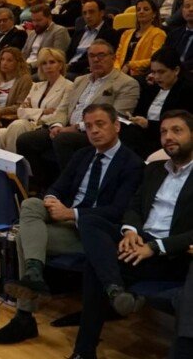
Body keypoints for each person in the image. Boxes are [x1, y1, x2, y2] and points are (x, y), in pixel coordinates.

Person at [0, 104, 143, 346]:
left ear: (116, 126)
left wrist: (72, 213)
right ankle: (34, 273)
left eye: (100, 124)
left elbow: (119, 211)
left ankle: (24, 316)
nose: (94, 131)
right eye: (89, 126)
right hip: (68, 224)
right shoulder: (82, 155)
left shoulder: (132, 163)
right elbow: (57, 187)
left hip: (97, 236)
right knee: (32, 204)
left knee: (23, 237)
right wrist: (52, 199)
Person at [71, 110, 193, 359]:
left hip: (172, 254)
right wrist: (130, 231)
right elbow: (134, 206)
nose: (168, 137)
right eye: (163, 132)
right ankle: (115, 289)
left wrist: (154, 247)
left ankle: (84, 351)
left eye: (177, 131)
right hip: (138, 242)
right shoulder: (154, 169)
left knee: (96, 265)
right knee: (90, 220)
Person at [16, 40, 140, 188]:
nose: (96, 59)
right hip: (66, 127)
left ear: (113, 58)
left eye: (101, 55)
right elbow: (64, 109)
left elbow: (118, 116)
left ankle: (70, 188)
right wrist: (57, 125)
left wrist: (76, 127)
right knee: (25, 140)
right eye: (91, 56)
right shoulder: (80, 80)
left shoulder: (126, 83)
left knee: (63, 139)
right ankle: (42, 186)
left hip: (93, 132)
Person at [0, 48, 73, 152]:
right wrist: (43, 111)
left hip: (45, 126)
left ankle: (13, 162)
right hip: (29, 123)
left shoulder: (68, 86)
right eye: (44, 63)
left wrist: (32, 113)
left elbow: (60, 114)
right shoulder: (36, 86)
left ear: (60, 65)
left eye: (52, 62)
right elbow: (21, 111)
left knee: (18, 125)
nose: (48, 66)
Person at [121, 48, 193, 158]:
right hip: (142, 135)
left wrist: (148, 124)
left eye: (161, 72)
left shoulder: (187, 91)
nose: (157, 77)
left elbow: (180, 126)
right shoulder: (152, 87)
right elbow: (140, 110)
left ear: (176, 70)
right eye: (153, 72)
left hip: (167, 140)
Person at [0, 47, 33, 132]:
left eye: (9, 60)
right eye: (2, 59)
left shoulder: (25, 80)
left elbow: (21, 105)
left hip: (8, 118)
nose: (4, 63)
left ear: (18, 63)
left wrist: (0, 111)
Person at [64, 0, 119, 79]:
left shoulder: (110, 33)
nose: (88, 16)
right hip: (67, 69)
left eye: (91, 12)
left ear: (101, 13)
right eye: (84, 13)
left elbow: (99, 58)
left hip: (85, 72)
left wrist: (70, 67)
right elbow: (68, 54)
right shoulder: (79, 33)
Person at [114, 0, 166, 77]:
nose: (141, 12)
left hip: (141, 75)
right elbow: (117, 57)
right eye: (138, 10)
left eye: (146, 9)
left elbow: (154, 59)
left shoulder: (158, 34)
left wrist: (130, 65)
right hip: (120, 74)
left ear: (154, 14)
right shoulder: (126, 33)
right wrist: (117, 71)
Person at [21, 4, 70, 70]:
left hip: (43, 68)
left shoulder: (59, 31)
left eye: (39, 20)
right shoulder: (33, 33)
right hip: (26, 67)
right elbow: (23, 54)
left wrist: (30, 65)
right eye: (33, 20)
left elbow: (57, 57)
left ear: (49, 18)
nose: (35, 24)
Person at [165, 0, 193, 74]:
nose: (191, 9)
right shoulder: (173, 34)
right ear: (182, 10)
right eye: (187, 6)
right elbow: (163, 55)